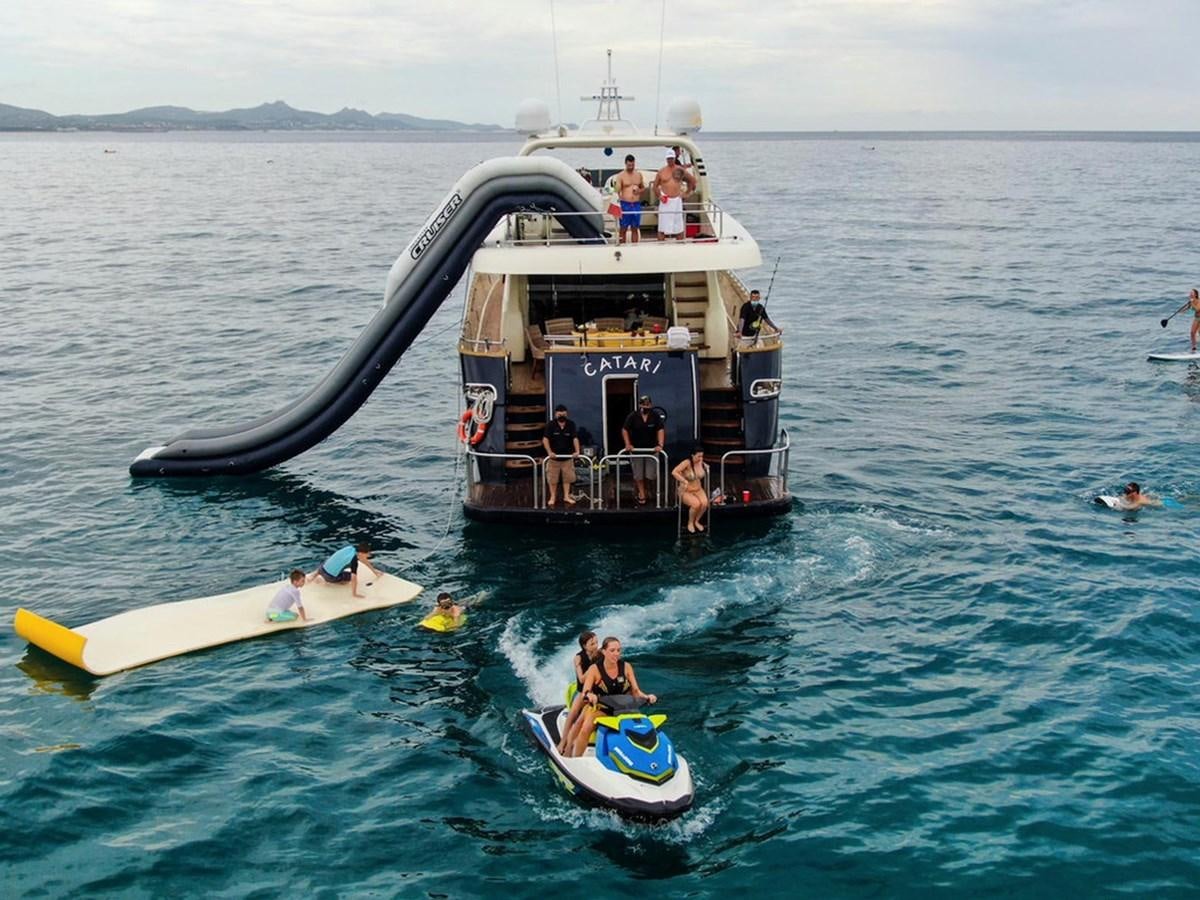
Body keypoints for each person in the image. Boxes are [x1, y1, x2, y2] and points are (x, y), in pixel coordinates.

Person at [562, 636, 657, 759]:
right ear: (604, 652)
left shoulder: (626, 667)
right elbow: (586, 691)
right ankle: (574, 757)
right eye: (612, 650)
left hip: (623, 709)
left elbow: (636, 691)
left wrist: (647, 696)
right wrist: (590, 695)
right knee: (586, 727)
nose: (616, 654)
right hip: (601, 708)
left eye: (618, 650)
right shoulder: (594, 669)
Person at [555, 630, 600, 753]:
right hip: (582, 691)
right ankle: (563, 742)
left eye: (596, 642)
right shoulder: (578, 658)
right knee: (573, 713)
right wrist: (593, 667)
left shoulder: (600, 654)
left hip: (595, 692)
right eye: (592, 644)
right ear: (584, 646)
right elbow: (581, 678)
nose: (596, 646)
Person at [621, 395, 665, 506]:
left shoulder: (655, 416)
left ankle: (647, 488)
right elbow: (625, 429)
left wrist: (660, 444)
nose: (645, 406)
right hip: (636, 450)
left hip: (651, 450)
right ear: (640, 405)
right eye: (643, 404)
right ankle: (642, 493)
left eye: (647, 404)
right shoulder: (633, 416)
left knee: (650, 475)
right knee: (638, 475)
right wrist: (628, 444)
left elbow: (660, 430)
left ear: (650, 405)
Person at [308, 542, 381, 599]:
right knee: (348, 577)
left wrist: (374, 572)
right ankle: (331, 583)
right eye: (367, 553)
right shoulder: (354, 560)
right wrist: (354, 594)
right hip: (330, 577)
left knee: (332, 562)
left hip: (321, 569)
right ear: (361, 553)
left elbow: (363, 560)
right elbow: (354, 578)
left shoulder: (350, 548)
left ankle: (314, 575)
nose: (369, 555)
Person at [542, 403, 581, 507]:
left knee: (567, 478)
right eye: (559, 415)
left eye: (563, 414)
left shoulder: (571, 424)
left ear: (566, 414)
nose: (561, 416)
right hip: (554, 458)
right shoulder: (550, 425)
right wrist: (549, 452)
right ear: (556, 414)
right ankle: (553, 497)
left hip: (567, 458)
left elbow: (575, 438)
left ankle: (566, 496)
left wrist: (577, 451)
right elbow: (545, 440)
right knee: (552, 479)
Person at [653, 151, 696, 241]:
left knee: (678, 227)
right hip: (665, 201)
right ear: (666, 159)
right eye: (668, 158)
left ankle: (679, 246)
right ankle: (660, 247)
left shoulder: (680, 170)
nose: (670, 160)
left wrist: (686, 193)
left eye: (672, 158)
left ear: (674, 158)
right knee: (662, 227)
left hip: (677, 201)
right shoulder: (661, 171)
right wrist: (659, 196)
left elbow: (692, 180)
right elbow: (655, 186)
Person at [673, 445, 710, 533]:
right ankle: (690, 523)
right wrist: (684, 480)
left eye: (702, 456)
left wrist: (706, 467)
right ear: (693, 455)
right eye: (699, 456)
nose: (701, 458)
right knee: (696, 504)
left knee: (705, 504)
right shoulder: (686, 462)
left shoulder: (701, 462)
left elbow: (702, 470)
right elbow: (674, 472)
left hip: (698, 489)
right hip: (686, 490)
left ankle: (697, 521)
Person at [614, 154, 645, 244]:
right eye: (629, 165)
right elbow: (617, 191)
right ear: (625, 164)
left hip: (636, 204)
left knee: (635, 228)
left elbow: (643, 188)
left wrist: (639, 190)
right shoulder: (621, 176)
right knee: (623, 228)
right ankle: (622, 246)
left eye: (632, 165)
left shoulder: (638, 175)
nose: (631, 167)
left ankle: (634, 247)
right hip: (625, 204)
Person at [1189, 288, 1200, 352]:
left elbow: (1197, 309)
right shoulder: (1191, 301)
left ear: (1195, 295)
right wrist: (1181, 311)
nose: (1190, 294)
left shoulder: (1199, 301)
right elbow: (1187, 307)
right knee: (1192, 333)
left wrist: (1191, 302)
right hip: (1196, 318)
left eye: (1192, 293)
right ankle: (1194, 347)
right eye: (1190, 293)